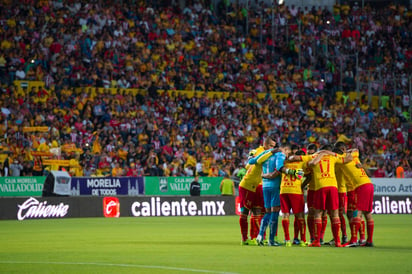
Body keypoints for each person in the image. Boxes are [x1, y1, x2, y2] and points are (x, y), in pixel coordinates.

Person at [294, 145, 353, 247]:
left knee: (318, 213)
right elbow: (349, 158)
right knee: (335, 214)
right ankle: (338, 241)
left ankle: (317, 240)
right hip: (333, 187)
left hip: (320, 187)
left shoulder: (313, 157)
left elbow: (297, 159)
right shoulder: (333, 157)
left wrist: (319, 155)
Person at [251, 143, 303, 246]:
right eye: (288, 151)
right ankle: (271, 240)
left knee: (267, 212)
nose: (288, 154)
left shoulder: (266, 153)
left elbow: (252, 161)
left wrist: (264, 175)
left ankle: (260, 235)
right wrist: (292, 172)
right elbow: (279, 168)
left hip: (265, 186)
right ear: (285, 148)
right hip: (275, 186)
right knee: (274, 213)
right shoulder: (280, 155)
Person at [336, 144, 375, 247]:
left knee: (357, 212)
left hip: (360, 186)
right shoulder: (354, 155)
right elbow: (355, 149)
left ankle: (353, 240)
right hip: (368, 183)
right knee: (367, 213)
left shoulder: (341, 161)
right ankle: (369, 241)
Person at [280, 150, 307, 247]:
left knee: (285, 215)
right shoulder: (302, 163)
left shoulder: (285, 162)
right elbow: (307, 174)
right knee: (300, 216)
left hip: (283, 190)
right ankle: (303, 240)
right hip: (295, 191)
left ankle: (287, 240)